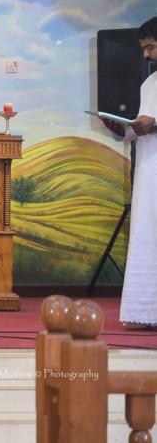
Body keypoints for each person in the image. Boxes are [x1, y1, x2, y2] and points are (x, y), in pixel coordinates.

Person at [103, 17, 157, 328]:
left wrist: (155, 125)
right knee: (147, 238)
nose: (145, 55)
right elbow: (141, 129)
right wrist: (120, 129)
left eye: (150, 47)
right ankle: (147, 313)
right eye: (144, 48)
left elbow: (153, 124)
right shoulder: (149, 84)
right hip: (149, 173)